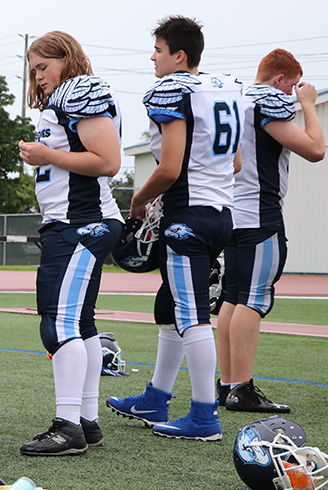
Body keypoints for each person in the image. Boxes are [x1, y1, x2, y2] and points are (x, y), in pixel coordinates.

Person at [106, 16, 243, 441]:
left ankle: (204, 416)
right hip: (220, 214)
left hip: (188, 217)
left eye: (159, 50)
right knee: (170, 308)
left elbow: (169, 168)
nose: (153, 57)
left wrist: (138, 199)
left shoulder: (173, 91)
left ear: (179, 55)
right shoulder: (223, 88)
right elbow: (236, 163)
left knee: (191, 316)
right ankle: (156, 397)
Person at [17, 31, 122, 456]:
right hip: (76, 221)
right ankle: (86, 421)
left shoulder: (80, 90)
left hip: (81, 222)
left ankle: (68, 426)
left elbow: (108, 161)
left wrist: (47, 156)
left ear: (68, 58)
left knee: (59, 323)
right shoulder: (65, 97)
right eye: (34, 70)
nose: (38, 76)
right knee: (81, 324)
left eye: (44, 66)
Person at [216, 49, 325, 412]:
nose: (293, 92)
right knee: (252, 298)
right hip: (259, 213)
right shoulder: (267, 100)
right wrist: (308, 103)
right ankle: (242, 388)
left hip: (232, 211)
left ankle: (228, 384)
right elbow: (315, 149)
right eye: (291, 85)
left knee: (233, 297)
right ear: (279, 79)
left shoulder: (236, 98)